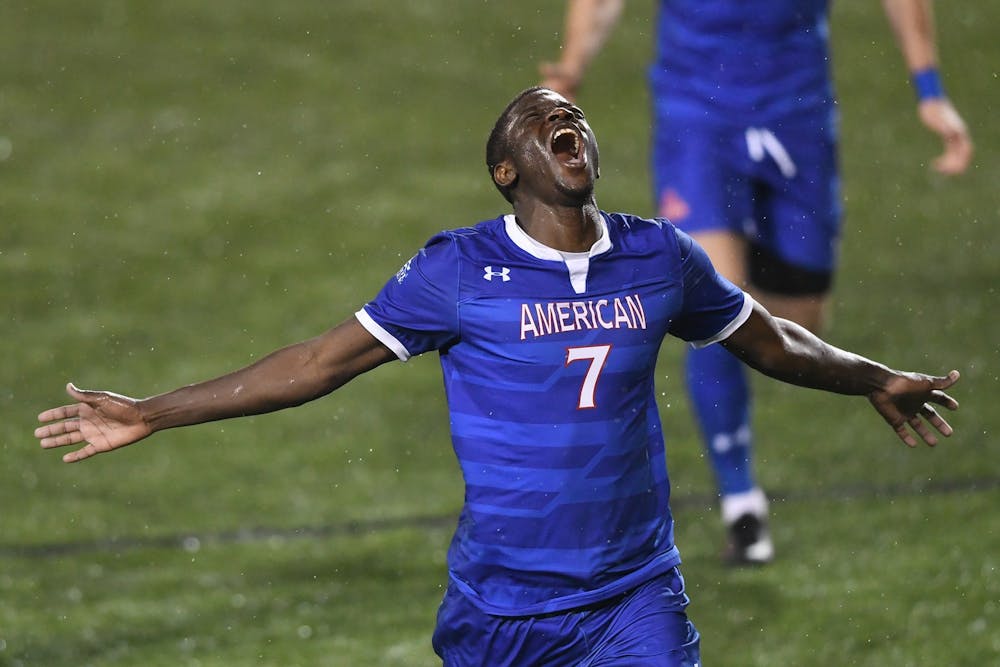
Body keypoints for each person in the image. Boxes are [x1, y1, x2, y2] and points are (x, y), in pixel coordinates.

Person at [35, 87, 960, 666]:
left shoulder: (660, 257)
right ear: (506, 168)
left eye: (577, 118)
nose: (568, 122)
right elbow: (318, 363)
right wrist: (153, 412)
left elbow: (767, 340)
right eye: (542, 120)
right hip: (502, 605)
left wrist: (876, 377)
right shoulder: (457, 273)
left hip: (632, 594)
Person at [540, 0, 973, 564]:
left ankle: (745, 375)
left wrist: (930, 88)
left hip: (798, 114)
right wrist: (572, 67)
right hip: (696, 115)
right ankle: (741, 501)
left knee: (801, 321)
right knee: (718, 296)